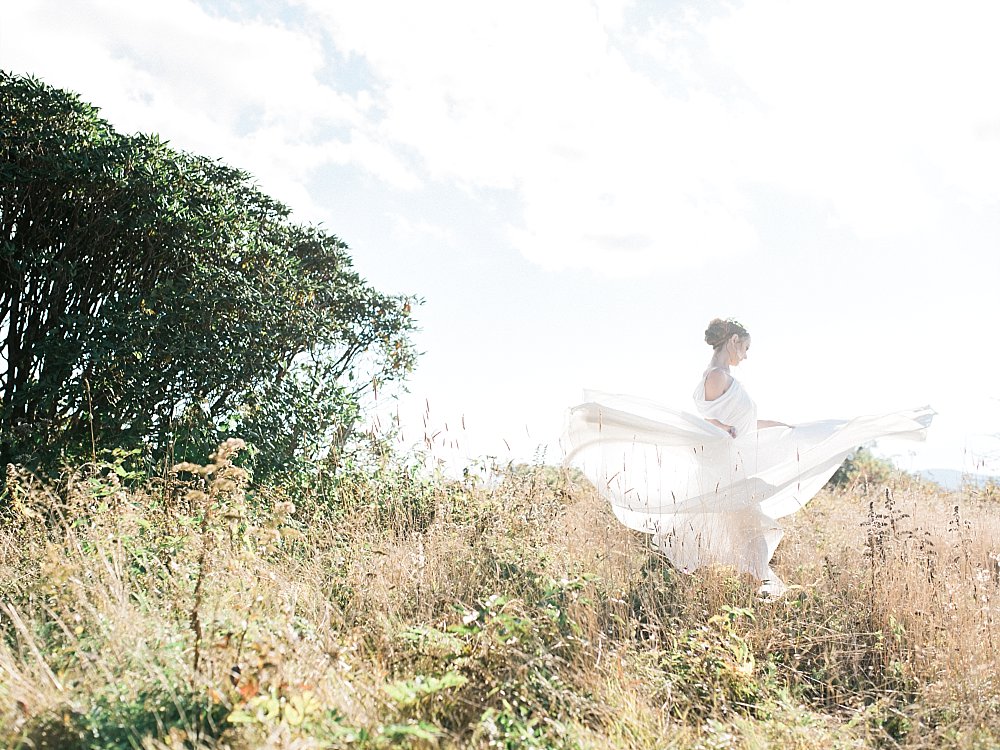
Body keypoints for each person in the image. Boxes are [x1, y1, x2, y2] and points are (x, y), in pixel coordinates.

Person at [564, 318, 933, 595]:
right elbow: (711, 419)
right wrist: (718, 427)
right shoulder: (715, 375)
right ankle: (757, 590)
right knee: (750, 530)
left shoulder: (723, 375)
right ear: (734, 341)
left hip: (737, 463)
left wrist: (781, 426)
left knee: (745, 530)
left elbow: (742, 422)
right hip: (726, 469)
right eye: (745, 347)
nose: (747, 355)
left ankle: (747, 588)